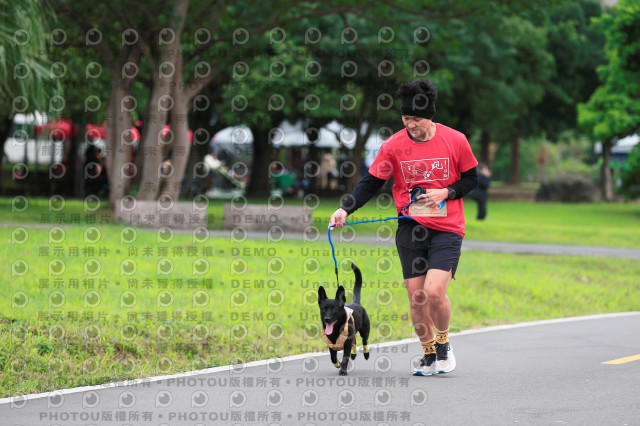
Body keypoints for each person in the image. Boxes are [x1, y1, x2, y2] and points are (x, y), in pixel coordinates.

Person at [329, 78, 479, 376]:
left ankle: (443, 344)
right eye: (406, 118)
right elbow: (371, 182)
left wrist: (446, 192)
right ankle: (428, 353)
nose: (411, 125)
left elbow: (471, 179)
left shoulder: (455, 140)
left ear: (430, 116)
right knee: (417, 297)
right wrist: (345, 209)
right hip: (411, 228)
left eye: (417, 119)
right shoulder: (394, 145)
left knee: (434, 292)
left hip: (447, 228)